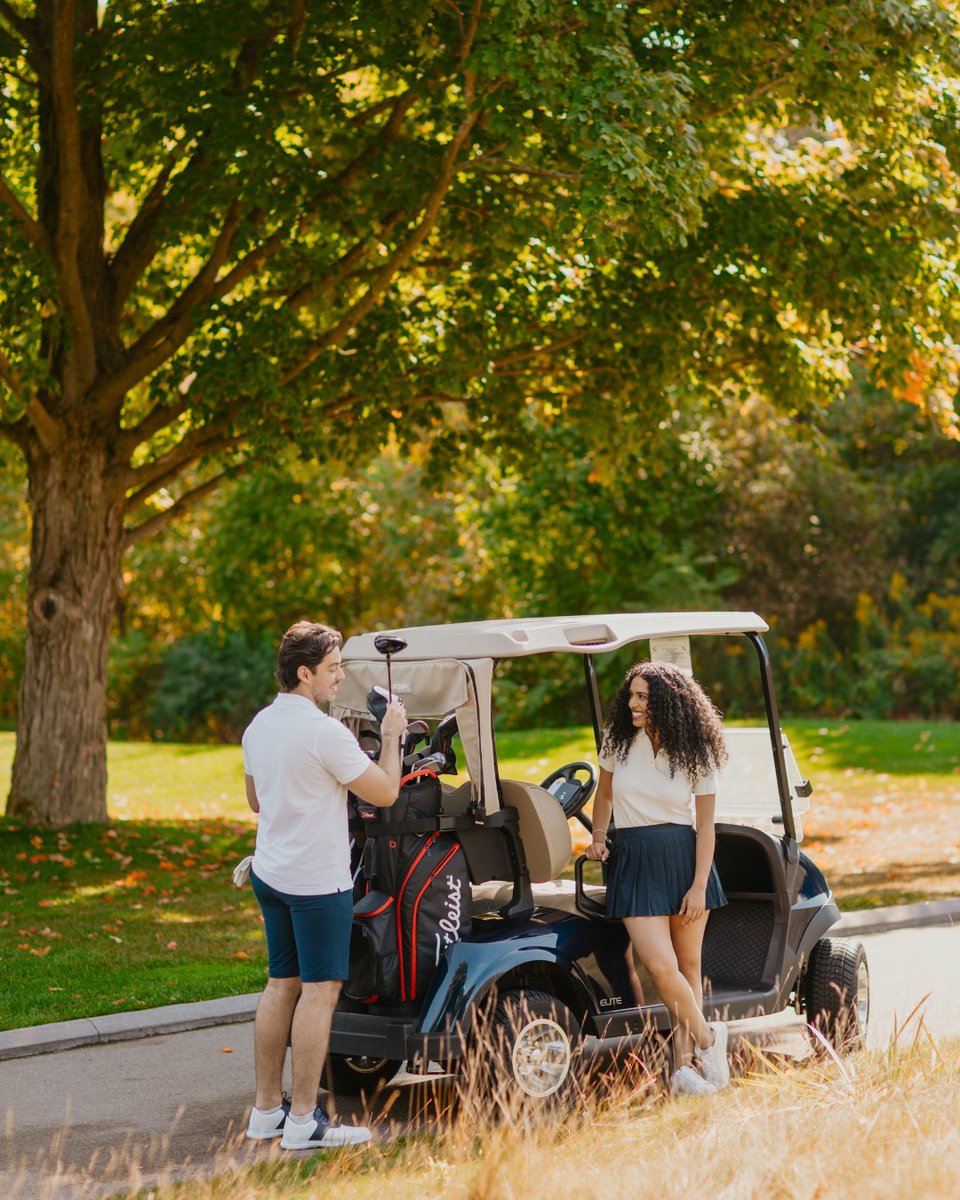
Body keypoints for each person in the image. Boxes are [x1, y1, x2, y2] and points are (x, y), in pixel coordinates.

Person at [241, 620, 407, 1150]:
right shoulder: (323, 732)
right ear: (304, 672)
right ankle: (306, 1121)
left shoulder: (258, 726)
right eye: (333, 669)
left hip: (271, 875)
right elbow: (383, 793)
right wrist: (393, 736)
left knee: (280, 985)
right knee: (319, 992)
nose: (339, 678)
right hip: (315, 883)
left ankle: (267, 1112)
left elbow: (256, 800)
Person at [586, 660, 731, 1098]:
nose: (632, 703)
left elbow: (705, 826)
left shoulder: (696, 752)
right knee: (661, 966)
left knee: (688, 968)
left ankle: (685, 1070)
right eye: (631, 694)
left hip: (684, 861)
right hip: (633, 859)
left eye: (642, 696)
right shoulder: (617, 741)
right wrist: (597, 836)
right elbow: (605, 794)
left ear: (666, 702)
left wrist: (699, 884)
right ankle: (711, 1041)